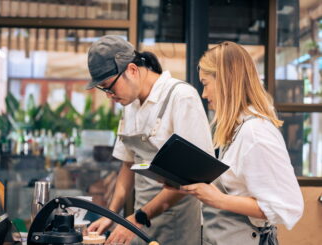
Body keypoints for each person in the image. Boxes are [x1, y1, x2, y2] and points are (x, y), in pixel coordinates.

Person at [167, 41, 304, 245]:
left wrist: (218, 199)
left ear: (225, 81)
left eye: (205, 84)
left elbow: (287, 206)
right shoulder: (237, 129)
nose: (204, 95)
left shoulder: (256, 133)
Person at [85, 35, 214, 245]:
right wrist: (111, 216)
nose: (109, 96)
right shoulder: (130, 104)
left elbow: (193, 177)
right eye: (103, 89)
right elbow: (128, 164)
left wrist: (138, 219)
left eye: (110, 87)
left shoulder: (181, 97)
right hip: (141, 220)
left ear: (132, 70)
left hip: (176, 223)